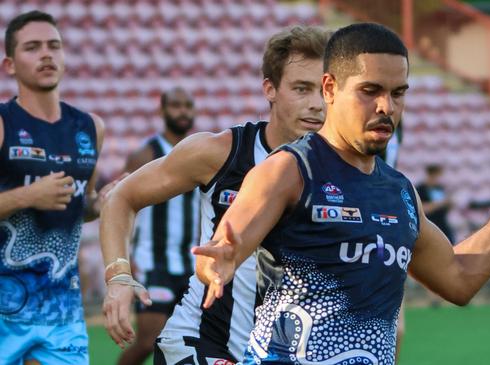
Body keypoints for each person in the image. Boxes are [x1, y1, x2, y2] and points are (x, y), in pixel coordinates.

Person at [192, 22, 490, 365]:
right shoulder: (289, 170)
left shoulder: (400, 192)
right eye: (370, 90)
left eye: (398, 93)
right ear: (329, 88)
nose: (386, 106)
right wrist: (219, 260)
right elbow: (229, 242)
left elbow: (458, 279)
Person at [99, 26, 330, 364]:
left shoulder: (346, 172)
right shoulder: (220, 153)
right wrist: (118, 277)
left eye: (324, 91)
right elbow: (121, 197)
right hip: (202, 343)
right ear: (270, 89)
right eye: (301, 89)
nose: (315, 105)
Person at [0, 10, 114, 365]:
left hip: (60, 313)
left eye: (54, 46)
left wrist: (109, 201)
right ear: (10, 65)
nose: (46, 54)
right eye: (32, 48)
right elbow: (36, 197)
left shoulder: (90, 127)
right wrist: (28, 196)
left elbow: (83, 205)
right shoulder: (3, 123)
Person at [116, 87, 200, 365]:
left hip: (190, 265)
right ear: (163, 111)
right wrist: (125, 259)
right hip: (153, 263)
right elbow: (120, 205)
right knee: (148, 342)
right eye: (176, 105)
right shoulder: (145, 154)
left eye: (188, 105)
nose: (183, 111)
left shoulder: (201, 153)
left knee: (187, 343)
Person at [416, 164, 455, 244]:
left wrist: (449, 204)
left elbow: (445, 209)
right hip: (428, 226)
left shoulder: (440, 188)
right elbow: (423, 209)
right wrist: (441, 203)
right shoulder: (420, 189)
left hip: (442, 225)